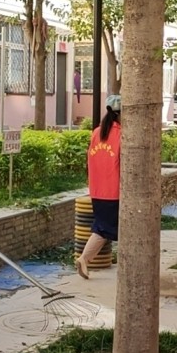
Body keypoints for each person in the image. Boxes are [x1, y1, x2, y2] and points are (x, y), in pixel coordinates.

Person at [75, 95, 121, 279]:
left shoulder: (97, 133)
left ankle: (84, 259)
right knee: (109, 230)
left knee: (102, 228)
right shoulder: (122, 134)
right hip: (114, 191)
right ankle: (85, 258)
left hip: (97, 190)